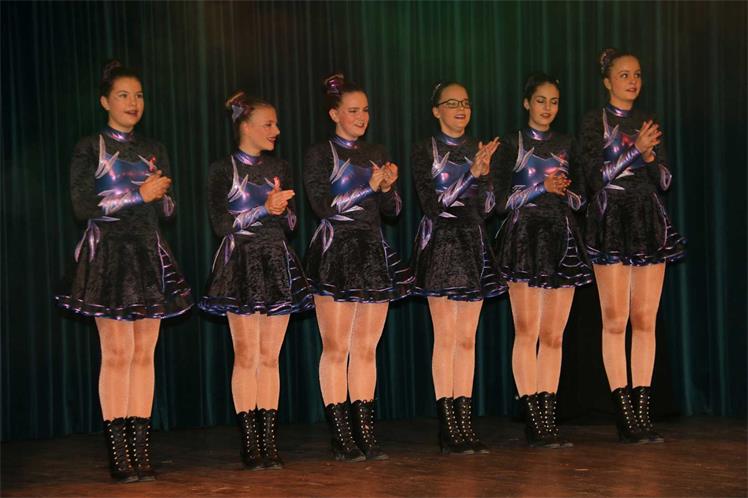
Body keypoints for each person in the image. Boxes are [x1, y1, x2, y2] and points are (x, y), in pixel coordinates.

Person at [55, 60, 192, 482]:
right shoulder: (90, 146)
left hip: (148, 254)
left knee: (144, 355)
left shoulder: (154, 147)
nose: (133, 103)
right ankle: (118, 452)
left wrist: (161, 194)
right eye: (123, 95)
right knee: (116, 355)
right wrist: (138, 194)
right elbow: (82, 207)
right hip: (109, 256)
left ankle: (140, 448)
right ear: (104, 102)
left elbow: (168, 212)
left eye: (139, 95)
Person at [199, 92, 314, 470]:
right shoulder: (222, 170)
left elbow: (292, 223)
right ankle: (250, 442)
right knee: (247, 355)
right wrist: (263, 209)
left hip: (276, 261)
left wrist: (281, 210)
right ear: (245, 127)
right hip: (240, 263)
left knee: (270, 356)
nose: (276, 130)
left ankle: (268, 439)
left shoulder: (279, 166)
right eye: (268, 124)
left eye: (276, 123)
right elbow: (221, 225)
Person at [578, 49, 686, 443]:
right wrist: (634, 151)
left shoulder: (647, 121)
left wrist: (651, 155)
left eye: (637, 74)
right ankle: (623, 412)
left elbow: (666, 181)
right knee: (615, 319)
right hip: (611, 219)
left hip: (646, 220)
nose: (632, 81)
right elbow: (594, 180)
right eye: (624, 75)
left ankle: (643, 411)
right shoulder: (595, 121)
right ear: (607, 81)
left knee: (645, 320)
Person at [304, 73, 412, 461]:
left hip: (371, 253)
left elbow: (393, 211)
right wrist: (369, 186)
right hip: (335, 252)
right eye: (352, 110)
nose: (361, 117)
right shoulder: (319, 154)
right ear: (334, 114)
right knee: (337, 347)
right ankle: (341, 435)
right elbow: (323, 207)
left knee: (366, 348)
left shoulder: (376, 151)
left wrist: (388, 187)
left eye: (365, 110)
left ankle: (365, 431)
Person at [494, 73, 592, 448]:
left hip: (561, 240)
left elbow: (582, 200)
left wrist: (565, 192)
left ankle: (548, 417)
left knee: (553, 335)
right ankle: (532, 416)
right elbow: (499, 203)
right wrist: (541, 188)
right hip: (524, 240)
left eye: (554, 101)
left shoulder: (568, 143)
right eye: (540, 100)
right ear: (527, 103)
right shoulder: (512, 143)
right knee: (528, 331)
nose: (547, 108)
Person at [410, 82, 502, 454]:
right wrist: (471, 175)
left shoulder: (479, 148)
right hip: (441, 242)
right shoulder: (424, 149)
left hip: (472, 243)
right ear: (436, 111)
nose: (461, 108)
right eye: (452, 103)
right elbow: (432, 206)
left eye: (465, 102)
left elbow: (490, 206)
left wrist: (484, 173)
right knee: (446, 337)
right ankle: (448, 426)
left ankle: (465, 423)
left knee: (467, 339)